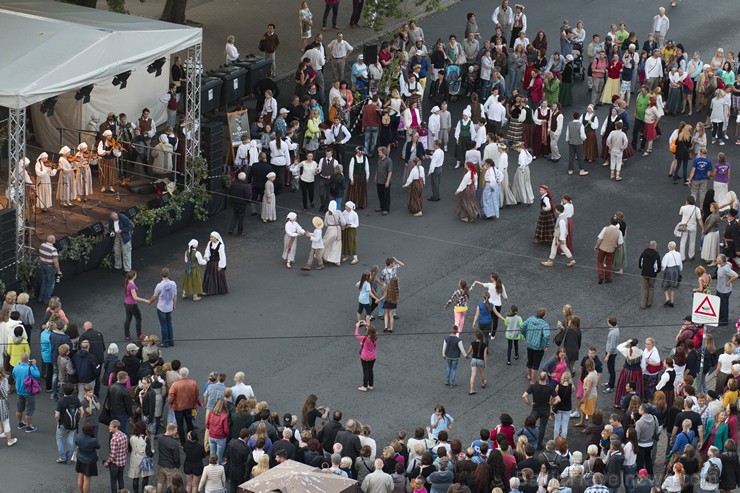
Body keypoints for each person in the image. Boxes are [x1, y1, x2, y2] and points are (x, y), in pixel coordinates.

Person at [522, 371, 557, 450]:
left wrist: (529, 404)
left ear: (539, 378)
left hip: (535, 409)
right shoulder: (550, 388)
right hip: (545, 410)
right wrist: (551, 404)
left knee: (529, 425)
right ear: (546, 379)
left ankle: (526, 441)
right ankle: (539, 444)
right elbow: (558, 399)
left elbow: (524, 396)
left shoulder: (534, 386)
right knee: (542, 427)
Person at [521, 308, 550, 385]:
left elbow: (522, 326)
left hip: (529, 344)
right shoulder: (544, 324)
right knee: (535, 364)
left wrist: (524, 335)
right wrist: (546, 345)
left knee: (530, 360)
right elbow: (547, 335)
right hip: (538, 347)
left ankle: (529, 375)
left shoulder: (530, 319)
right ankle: (533, 381)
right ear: (544, 315)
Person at [149, 268, 177, 348]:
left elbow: (155, 296)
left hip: (161, 307)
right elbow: (175, 295)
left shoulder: (159, 285)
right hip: (169, 306)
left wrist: (150, 301)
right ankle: (171, 341)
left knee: (163, 325)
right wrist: (174, 304)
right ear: (168, 274)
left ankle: (165, 342)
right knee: (169, 323)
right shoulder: (173, 283)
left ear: (161, 275)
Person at [55, 382, 82, 464]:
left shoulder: (61, 401)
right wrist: (79, 421)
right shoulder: (76, 399)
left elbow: (57, 415)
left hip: (63, 423)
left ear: (64, 391)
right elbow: (82, 411)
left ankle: (62, 457)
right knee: (70, 440)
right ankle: (69, 458)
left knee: (59, 438)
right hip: (74, 424)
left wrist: (58, 422)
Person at [13, 353, 39, 433]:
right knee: (29, 410)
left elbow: (14, 376)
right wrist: (34, 365)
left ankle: (20, 423)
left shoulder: (16, 367)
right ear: (28, 360)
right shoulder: (29, 368)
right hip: (28, 392)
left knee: (19, 408)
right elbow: (37, 375)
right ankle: (28, 427)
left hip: (19, 391)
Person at [594, 216, 624, 284]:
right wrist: (615, 247)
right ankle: (607, 279)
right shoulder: (619, 232)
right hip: (611, 250)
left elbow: (600, 239)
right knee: (608, 264)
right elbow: (620, 244)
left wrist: (597, 246)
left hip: (602, 248)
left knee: (600, 262)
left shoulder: (605, 229)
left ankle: (600, 275)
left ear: (610, 222)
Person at [75, 423, 101, 493]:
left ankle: (81, 492)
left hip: (80, 458)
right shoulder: (93, 440)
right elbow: (98, 446)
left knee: (80, 476)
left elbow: (76, 443)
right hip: (90, 461)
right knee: (87, 479)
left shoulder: (79, 436)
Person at [38, 235, 62, 304]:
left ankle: (40, 298)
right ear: (53, 241)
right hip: (50, 267)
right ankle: (47, 299)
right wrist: (58, 271)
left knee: (44, 282)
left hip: (43, 265)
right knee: (50, 283)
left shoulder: (42, 245)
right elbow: (56, 262)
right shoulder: (53, 249)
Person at [716, 254, 738, 325]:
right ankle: (720, 317)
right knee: (719, 304)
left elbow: (736, 275)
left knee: (724, 305)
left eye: (717, 258)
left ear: (721, 261)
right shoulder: (722, 265)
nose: (716, 259)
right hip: (720, 289)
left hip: (724, 291)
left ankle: (724, 321)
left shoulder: (726, 269)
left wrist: (728, 281)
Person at [638, 241, 662, 309]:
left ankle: (643, 304)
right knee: (651, 288)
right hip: (652, 275)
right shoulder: (656, 255)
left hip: (644, 273)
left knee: (644, 288)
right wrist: (657, 271)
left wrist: (641, 268)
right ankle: (649, 303)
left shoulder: (644, 253)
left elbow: (640, 262)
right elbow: (658, 266)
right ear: (655, 246)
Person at [356, 321, 378, 392]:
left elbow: (356, 335)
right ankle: (370, 385)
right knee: (370, 370)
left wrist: (357, 326)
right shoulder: (376, 337)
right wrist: (366, 324)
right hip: (373, 357)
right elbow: (372, 330)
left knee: (365, 371)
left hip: (365, 357)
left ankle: (364, 386)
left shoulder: (365, 338)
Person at [465, 331, 488, 395]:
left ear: (476, 336)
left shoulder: (473, 343)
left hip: (474, 360)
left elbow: (469, 351)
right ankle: (483, 383)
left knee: (473, 375)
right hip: (481, 360)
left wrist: (467, 356)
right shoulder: (484, 345)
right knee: (481, 373)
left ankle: (471, 389)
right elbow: (485, 355)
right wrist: (485, 363)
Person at [228, 172, 250, 237]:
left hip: (234, 202)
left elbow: (230, 192)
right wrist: (247, 201)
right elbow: (247, 195)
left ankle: (231, 229)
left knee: (235, 215)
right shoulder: (245, 186)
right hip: (242, 204)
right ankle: (240, 232)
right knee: (241, 217)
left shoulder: (233, 184)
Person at [375, 146, 393, 215]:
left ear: (384, 153)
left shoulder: (389, 161)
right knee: (380, 194)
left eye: (380, 152)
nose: (378, 153)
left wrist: (387, 181)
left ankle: (386, 209)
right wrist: (376, 176)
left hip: (385, 181)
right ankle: (381, 206)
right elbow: (378, 168)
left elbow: (390, 171)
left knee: (386, 196)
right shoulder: (379, 159)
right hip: (379, 181)